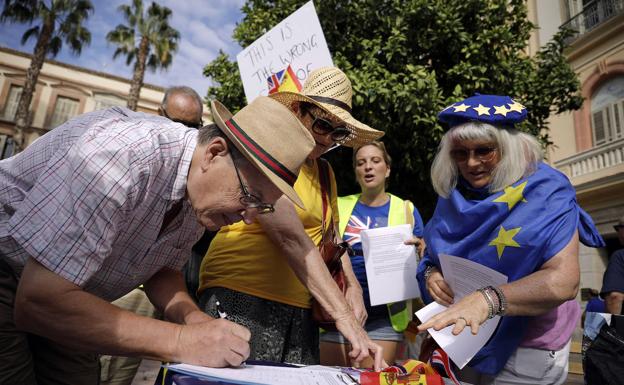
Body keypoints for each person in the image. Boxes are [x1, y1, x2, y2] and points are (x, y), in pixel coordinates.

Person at [0, 96, 316, 385]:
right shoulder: (122, 155)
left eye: (261, 208)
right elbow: (39, 300)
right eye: (249, 197)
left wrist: (194, 320)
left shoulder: (200, 194)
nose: (248, 217)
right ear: (214, 152)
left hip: (70, 294)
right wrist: (181, 341)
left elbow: (162, 269)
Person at [197, 67, 387, 369]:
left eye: (338, 133)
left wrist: (353, 286)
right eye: (323, 124)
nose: (327, 139)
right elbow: (290, 238)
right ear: (298, 109)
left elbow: (332, 236)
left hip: (303, 306)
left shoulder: (325, 172)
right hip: (244, 293)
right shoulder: (271, 150)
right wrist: (344, 316)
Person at [415, 94, 605, 385]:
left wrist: (487, 299)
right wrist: (431, 274)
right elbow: (432, 252)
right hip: (464, 340)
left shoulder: (547, 190)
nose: (471, 163)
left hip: (529, 347)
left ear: (508, 148)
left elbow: (563, 281)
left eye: (484, 151)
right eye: (459, 153)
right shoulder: (453, 194)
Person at [100, 85, 206, 385]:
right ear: (159, 116)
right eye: (177, 124)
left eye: (192, 127)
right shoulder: (136, 160)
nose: (184, 134)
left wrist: (194, 322)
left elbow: (169, 266)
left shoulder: (194, 187)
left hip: (158, 289)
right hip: (119, 292)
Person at [319, 140, 425, 367]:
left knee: (373, 380)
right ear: (356, 172)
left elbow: (425, 255)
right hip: (337, 313)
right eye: (361, 163)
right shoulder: (338, 204)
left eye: (375, 161)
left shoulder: (406, 209)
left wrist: (420, 250)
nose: (368, 167)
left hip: (384, 319)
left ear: (387, 169)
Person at [600, 215, 624, 315]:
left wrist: (610, 329)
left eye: (618, 228)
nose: (617, 233)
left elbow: (614, 296)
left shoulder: (619, 255)